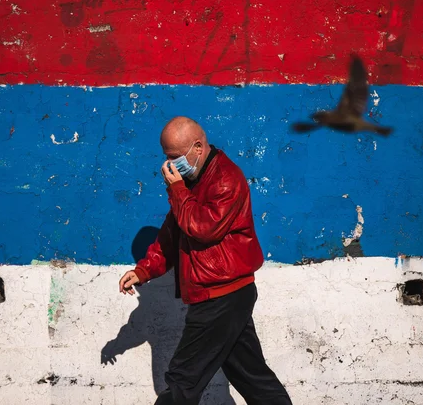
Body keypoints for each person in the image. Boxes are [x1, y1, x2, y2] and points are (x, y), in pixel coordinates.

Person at [117, 116, 293, 405]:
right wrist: (144, 270)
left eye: (174, 157)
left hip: (220, 296)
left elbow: (202, 228)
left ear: (197, 147)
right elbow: (173, 233)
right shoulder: (190, 181)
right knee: (254, 379)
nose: (169, 166)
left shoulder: (225, 179)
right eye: (166, 158)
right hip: (223, 295)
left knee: (182, 382)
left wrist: (177, 190)